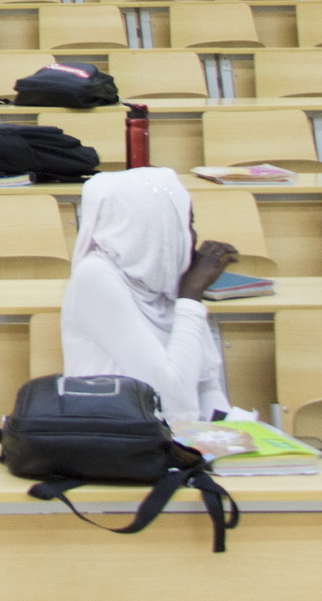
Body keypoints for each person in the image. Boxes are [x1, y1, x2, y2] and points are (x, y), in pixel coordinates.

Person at [61, 168, 238, 423]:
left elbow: (207, 385)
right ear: (154, 229)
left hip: (174, 441)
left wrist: (232, 435)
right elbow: (171, 398)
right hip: (116, 440)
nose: (192, 238)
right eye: (184, 225)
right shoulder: (95, 276)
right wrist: (190, 298)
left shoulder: (166, 279)